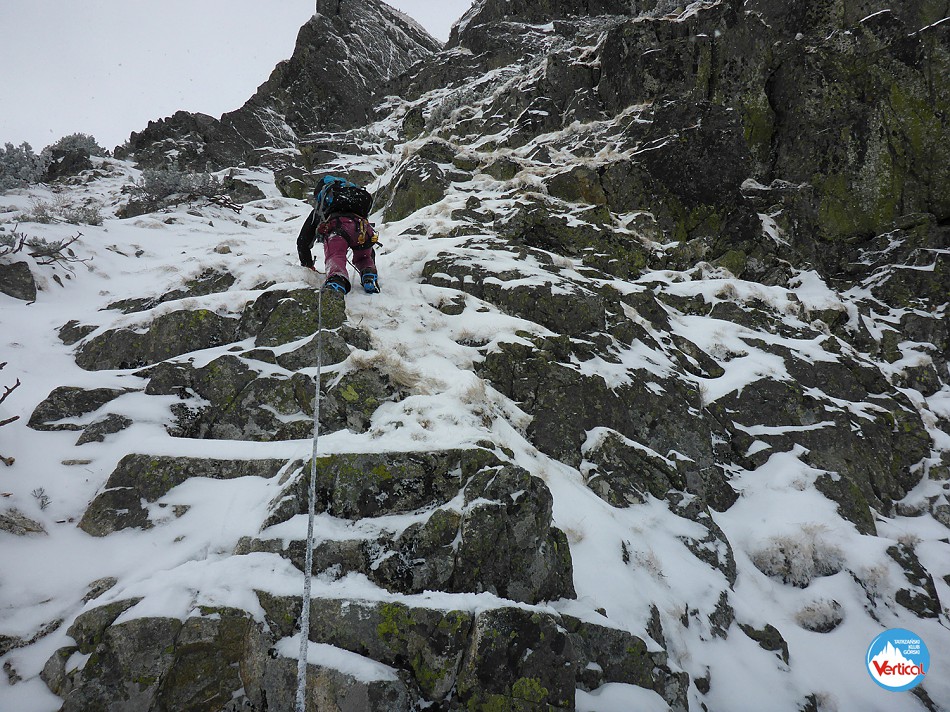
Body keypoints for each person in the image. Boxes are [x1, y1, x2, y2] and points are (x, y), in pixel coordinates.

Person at [296, 180, 380, 294]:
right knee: (363, 258)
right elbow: (368, 246)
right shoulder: (356, 199)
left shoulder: (321, 208)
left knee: (336, 256)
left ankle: (337, 281)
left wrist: (308, 265)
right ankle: (368, 274)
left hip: (338, 230)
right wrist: (370, 261)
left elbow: (303, 240)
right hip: (362, 228)